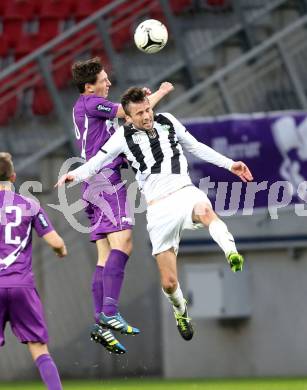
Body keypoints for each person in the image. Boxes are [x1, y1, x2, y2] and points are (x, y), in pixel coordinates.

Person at [57, 87, 253, 341]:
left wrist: (230, 164)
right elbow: (95, 163)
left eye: (148, 109)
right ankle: (180, 310)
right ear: (128, 117)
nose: (147, 116)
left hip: (184, 191)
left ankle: (231, 252)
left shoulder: (168, 121)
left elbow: (196, 147)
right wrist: (74, 174)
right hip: (158, 210)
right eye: (140, 113)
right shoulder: (120, 138)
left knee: (205, 211)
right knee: (170, 282)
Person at [71, 57, 174, 354]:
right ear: (89, 86)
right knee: (125, 242)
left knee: (105, 255)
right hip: (105, 181)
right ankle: (110, 311)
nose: (108, 83)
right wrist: (160, 92)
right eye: (104, 80)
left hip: (93, 183)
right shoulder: (91, 103)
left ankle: (99, 323)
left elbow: (121, 124)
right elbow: (131, 114)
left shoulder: (85, 107)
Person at [0, 152, 67, 390]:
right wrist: (61, 251)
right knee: (39, 348)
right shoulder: (30, 205)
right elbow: (57, 243)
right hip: (21, 285)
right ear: (14, 176)